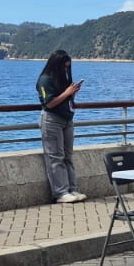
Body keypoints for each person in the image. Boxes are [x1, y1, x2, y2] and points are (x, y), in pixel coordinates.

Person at [36, 49, 85, 204]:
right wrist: (67, 92)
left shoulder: (62, 78)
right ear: (56, 65)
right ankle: (61, 192)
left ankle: (71, 188)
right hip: (52, 120)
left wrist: (72, 93)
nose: (66, 70)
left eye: (68, 67)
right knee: (55, 157)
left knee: (68, 156)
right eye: (64, 67)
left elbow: (64, 99)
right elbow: (49, 102)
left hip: (67, 119)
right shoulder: (45, 80)